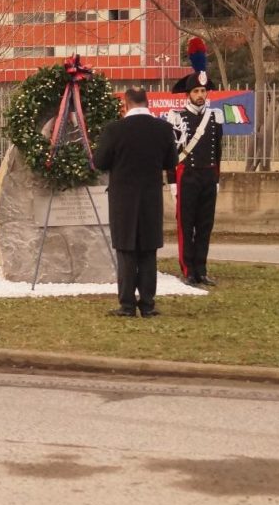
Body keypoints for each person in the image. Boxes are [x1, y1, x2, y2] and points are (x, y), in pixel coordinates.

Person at [94, 87, 178, 318]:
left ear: (126, 104)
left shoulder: (114, 130)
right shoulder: (163, 129)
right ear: (147, 103)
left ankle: (127, 305)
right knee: (148, 251)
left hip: (123, 199)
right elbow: (171, 161)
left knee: (126, 251)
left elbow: (100, 162)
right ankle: (148, 305)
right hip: (151, 197)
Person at [165, 37, 224, 286]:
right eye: (196, 91)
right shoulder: (176, 117)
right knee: (186, 226)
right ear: (188, 94)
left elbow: (218, 150)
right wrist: (173, 184)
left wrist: (217, 179)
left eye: (203, 91)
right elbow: (170, 153)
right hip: (186, 176)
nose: (200, 95)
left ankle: (201, 268)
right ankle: (188, 269)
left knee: (205, 225)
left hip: (208, 176)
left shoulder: (215, 116)